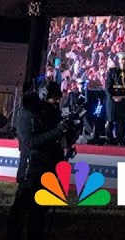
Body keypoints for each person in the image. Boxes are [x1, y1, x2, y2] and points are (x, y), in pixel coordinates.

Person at [7, 82, 74, 239]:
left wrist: (67, 138)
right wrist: (57, 131)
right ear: (44, 97)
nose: (57, 103)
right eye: (55, 99)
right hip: (31, 167)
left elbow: (56, 136)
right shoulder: (28, 112)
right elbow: (30, 141)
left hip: (49, 165)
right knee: (22, 205)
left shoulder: (51, 111)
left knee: (40, 208)